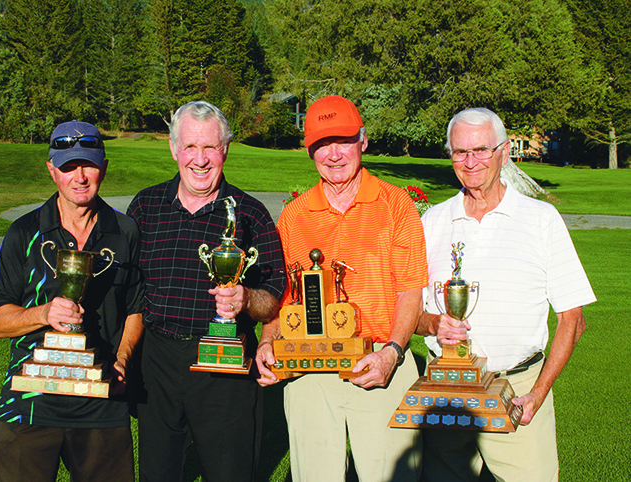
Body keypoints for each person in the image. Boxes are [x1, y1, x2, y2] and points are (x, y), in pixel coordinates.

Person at [416, 108, 596, 482]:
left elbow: (572, 320)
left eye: (481, 150)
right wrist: (434, 323)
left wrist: (539, 392)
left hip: (519, 390)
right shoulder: (433, 221)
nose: (471, 162)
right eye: (460, 152)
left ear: (504, 152)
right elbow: (412, 313)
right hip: (448, 390)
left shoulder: (541, 219)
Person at [255, 95, 428, 481]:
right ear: (309, 150)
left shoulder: (396, 204)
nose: (333, 154)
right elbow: (283, 296)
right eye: (321, 144)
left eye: (343, 141)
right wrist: (268, 342)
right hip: (309, 371)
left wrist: (393, 354)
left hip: (381, 361)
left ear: (363, 141)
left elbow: (410, 291)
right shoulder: (295, 215)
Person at [127, 101, 285, 482]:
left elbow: (274, 295)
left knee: (229, 473)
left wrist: (246, 298)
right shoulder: (146, 207)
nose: (200, 159)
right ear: (173, 149)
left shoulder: (250, 213)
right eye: (190, 147)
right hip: (158, 363)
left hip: (224, 372)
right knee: (157, 473)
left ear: (225, 149)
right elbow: (126, 291)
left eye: (210, 147)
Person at [0, 120, 144, 481]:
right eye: (69, 166)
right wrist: (44, 313)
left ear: (103, 165)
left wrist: (121, 361)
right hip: (29, 404)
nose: (80, 176)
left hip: (102, 401)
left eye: (88, 164)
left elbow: (136, 308)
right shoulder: (24, 232)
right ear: (52, 170)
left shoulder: (126, 231)